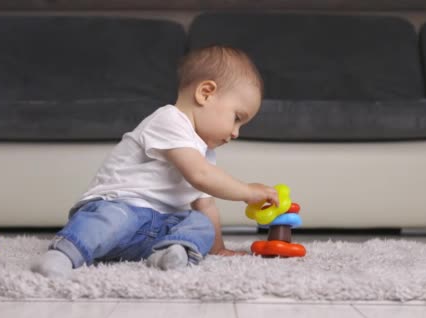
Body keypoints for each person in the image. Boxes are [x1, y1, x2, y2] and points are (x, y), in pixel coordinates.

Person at [31, 45, 279, 279]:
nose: (236, 133)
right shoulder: (168, 120)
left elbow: (206, 206)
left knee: (200, 223)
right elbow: (200, 175)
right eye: (236, 118)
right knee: (115, 218)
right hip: (119, 208)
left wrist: (218, 247)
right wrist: (247, 192)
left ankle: (171, 251)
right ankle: (64, 254)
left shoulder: (203, 152)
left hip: (155, 228)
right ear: (206, 93)